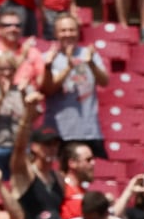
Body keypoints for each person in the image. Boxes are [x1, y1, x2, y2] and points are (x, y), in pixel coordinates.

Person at [41, 14, 109, 156]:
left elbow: (105, 81)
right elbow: (49, 89)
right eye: (63, 30)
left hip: (89, 131)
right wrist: (68, 68)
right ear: (56, 33)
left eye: (72, 30)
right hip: (59, 133)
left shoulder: (89, 55)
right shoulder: (48, 58)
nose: (68, 34)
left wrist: (91, 64)